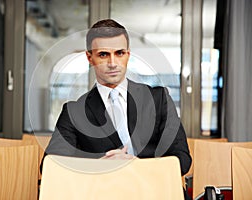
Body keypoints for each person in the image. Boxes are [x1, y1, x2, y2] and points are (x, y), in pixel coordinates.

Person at [43, 19, 191, 176]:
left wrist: (138, 166)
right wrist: (99, 167)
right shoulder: (74, 112)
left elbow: (182, 159)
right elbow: (50, 166)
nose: (112, 63)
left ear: (128, 55)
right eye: (103, 54)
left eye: (119, 53)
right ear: (89, 58)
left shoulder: (159, 99)